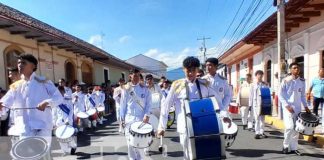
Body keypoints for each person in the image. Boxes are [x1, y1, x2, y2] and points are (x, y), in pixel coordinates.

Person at [157, 56, 231, 159]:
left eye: (193, 70)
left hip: (203, 126)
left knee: (203, 154)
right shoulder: (177, 85)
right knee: (188, 155)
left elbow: (218, 102)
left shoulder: (205, 84)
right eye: (188, 70)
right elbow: (166, 106)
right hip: (184, 128)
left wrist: (224, 115)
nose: (191, 73)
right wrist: (161, 127)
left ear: (197, 70)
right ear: (184, 70)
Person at [0, 54, 63, 147]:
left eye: (23, 63)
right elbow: (5, 103)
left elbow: (58, 98)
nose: (20, 65)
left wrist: (47, 102)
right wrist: (1, 106)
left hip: (42, 127)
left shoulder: (43, 80)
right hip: (24, 129)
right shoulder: (15, 85)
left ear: (33, 66)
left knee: (41, 155)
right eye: (18, 63)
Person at [120, 68, 152, 160]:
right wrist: (122, 120)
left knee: (139, 143)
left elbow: (148, 104)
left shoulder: (145, 89)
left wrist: (147, 115)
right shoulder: (126, 89)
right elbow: (122, 105)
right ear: (130, 76)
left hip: (140, 119)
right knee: (130, 143)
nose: (137, 77)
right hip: (129, 118)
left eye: (138, 75)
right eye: (135, 75)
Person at [279, 62, 310, 155]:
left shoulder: (302, 81)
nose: (297, 69)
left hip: (297, 108)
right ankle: (285, 145)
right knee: (289, 127)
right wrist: (287, 106)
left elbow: (303, 96)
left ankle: (294, 148)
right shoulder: (285, 81)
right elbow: (280, 95)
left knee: (297, 128)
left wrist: (306, 106)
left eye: (298, 68)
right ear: (291, 70)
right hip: (288, 108)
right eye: (294, 68)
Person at [53, 86, 77, 156]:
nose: (59, 93)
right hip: (59, 121)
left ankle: (73, 146)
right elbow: (54, 112)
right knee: (60, 137)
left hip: (67, 121)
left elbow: (71, 110)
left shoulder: (68, 98)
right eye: (58, 92)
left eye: (61, 92)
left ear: (63, 92)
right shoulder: (55, 100)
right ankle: (65, 150)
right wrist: (54, 123)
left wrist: (68, 120)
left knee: (68, 136)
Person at [248, 70, 269, 139]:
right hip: (256, 104)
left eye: (261, 74)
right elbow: (251, 95)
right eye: (259, 74)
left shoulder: (265, 84)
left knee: (262, 119)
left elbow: (267, 93)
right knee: (257, 118)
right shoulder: (253, 85)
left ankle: (262, 132)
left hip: (263, 103)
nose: (260, 76)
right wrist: (250, 105)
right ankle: (257, 132)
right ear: (256, 76)